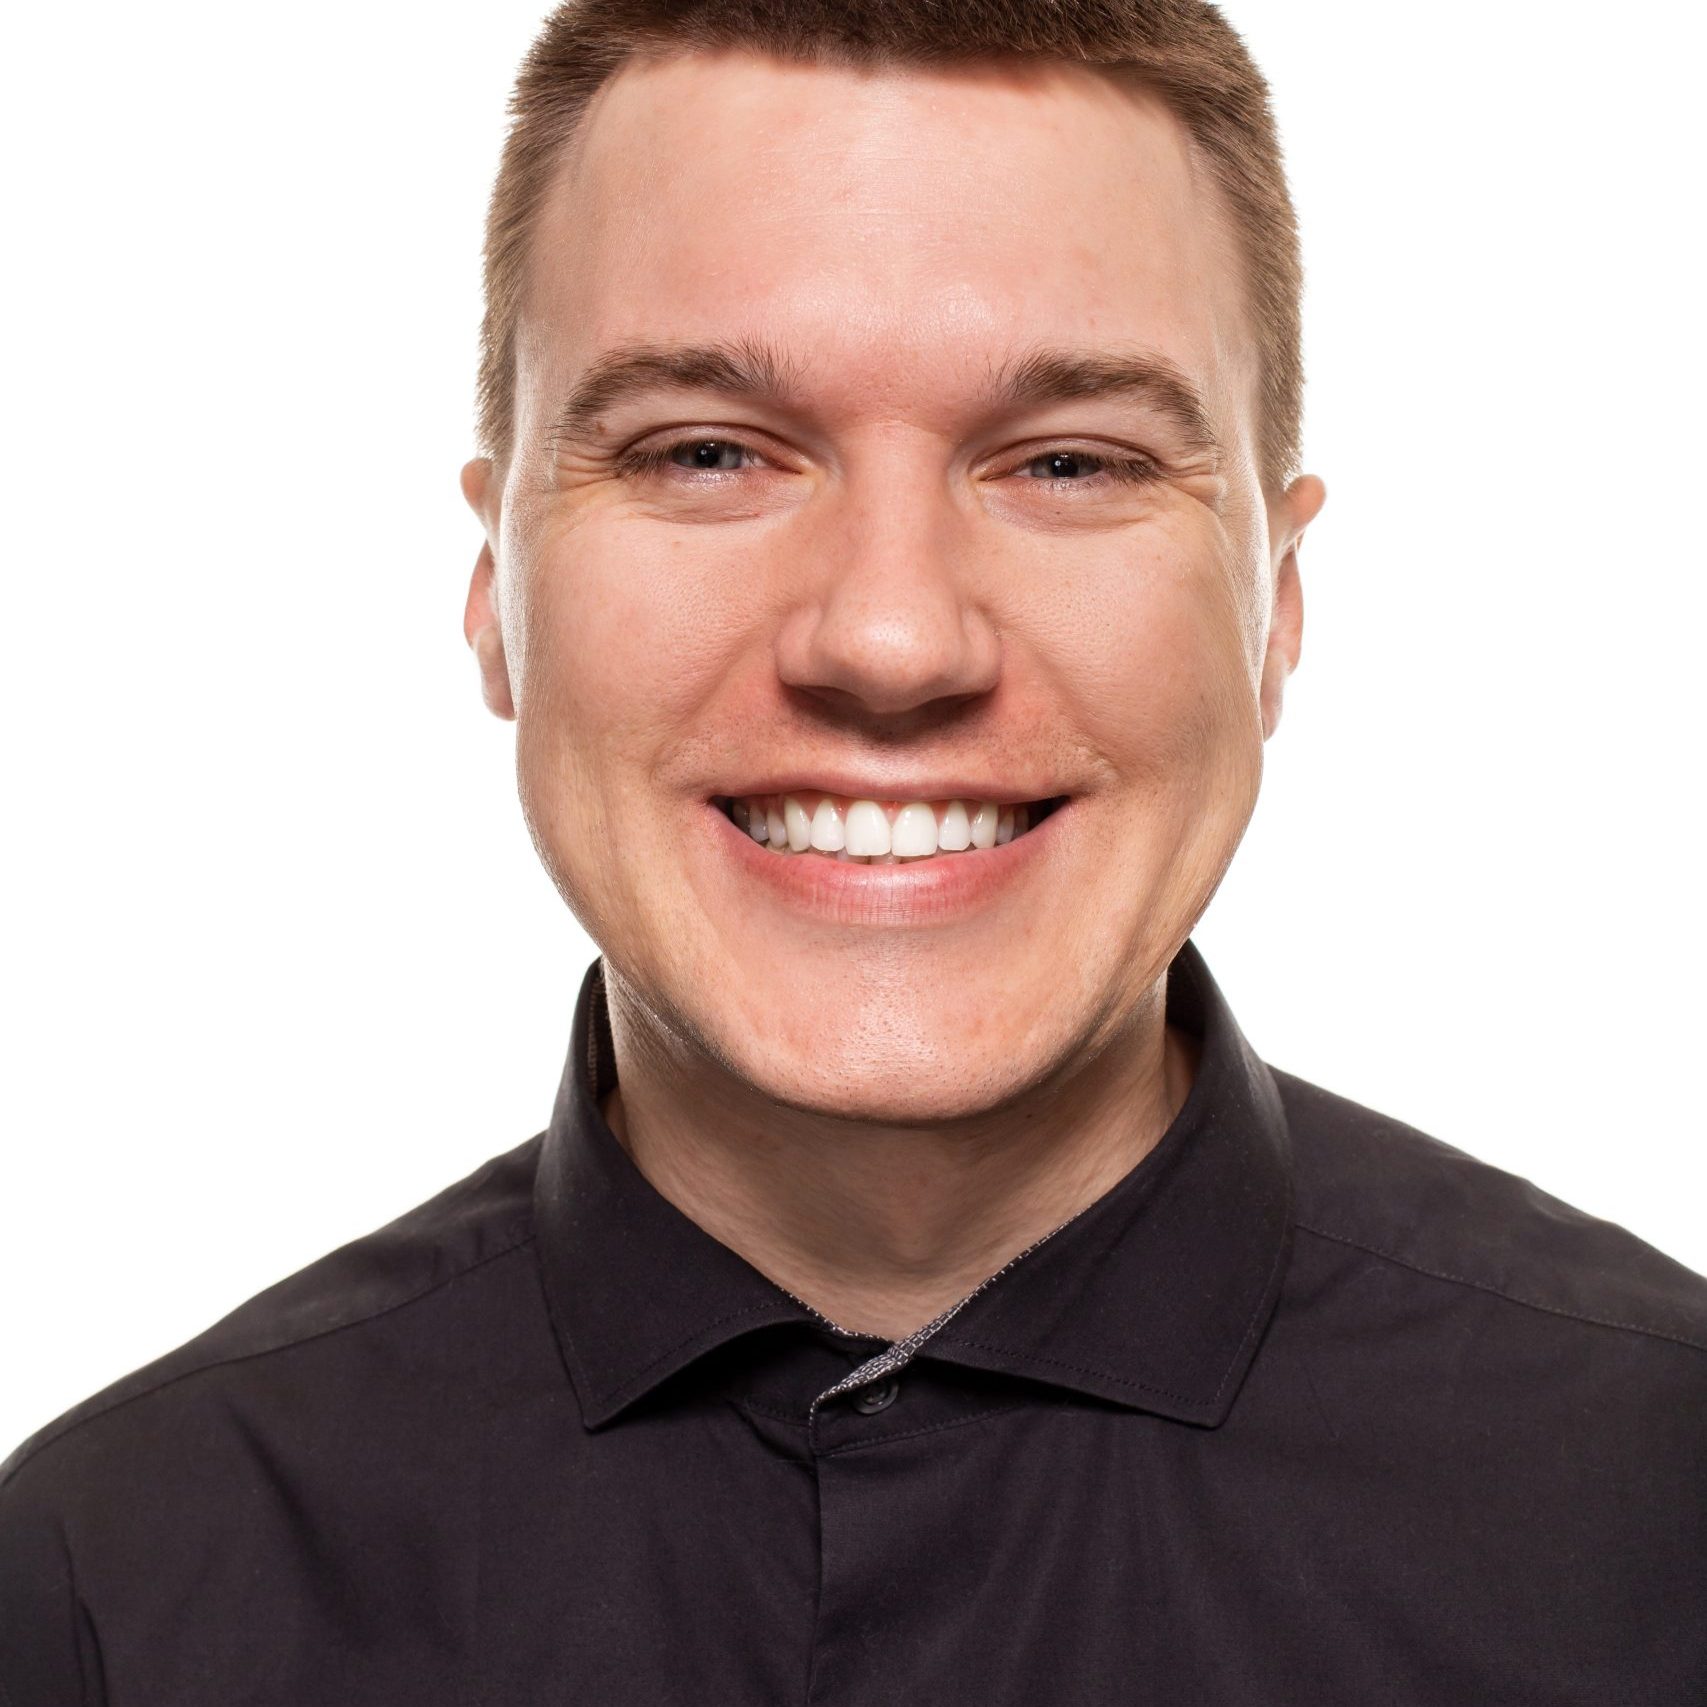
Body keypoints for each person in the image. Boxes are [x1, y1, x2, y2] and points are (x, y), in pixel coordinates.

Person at [3, 0, 1703, 1699]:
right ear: (494, 589)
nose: (890, 641)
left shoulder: (1665, 1512)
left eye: (1068, 461)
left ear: (1273, 601)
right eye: (708, 452)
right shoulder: (107, 1594)